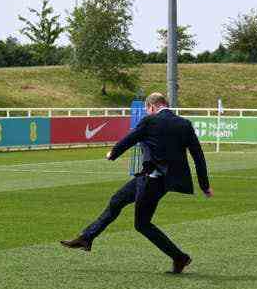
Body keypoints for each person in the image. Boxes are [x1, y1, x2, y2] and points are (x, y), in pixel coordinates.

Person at [61, 92, 213, 274]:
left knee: (142, 224)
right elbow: (198, 156)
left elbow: (130, 139)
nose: (146, 113)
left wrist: (113, 154)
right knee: (116, 201)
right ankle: (86, 237)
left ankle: (180, 257)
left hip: (152, 180)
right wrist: (204, 185)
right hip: (158, 179)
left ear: (151, 107)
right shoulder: (184, 124)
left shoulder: (150, 121)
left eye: (146, 110)